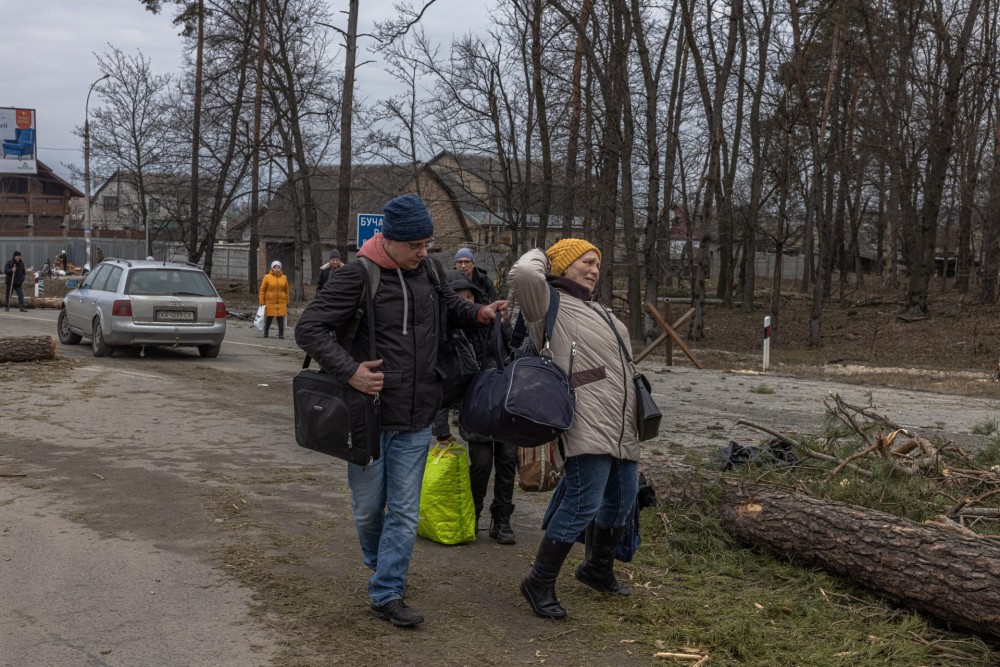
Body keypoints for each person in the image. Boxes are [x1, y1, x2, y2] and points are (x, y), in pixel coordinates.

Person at [295, 193, 508, 628]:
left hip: (417, 413)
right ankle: (381, 565)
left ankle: (387, 590)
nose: (424, 252)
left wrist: (480, 312)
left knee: (405, 510)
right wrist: (350, 370)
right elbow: (309, 328)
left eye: (428, 244)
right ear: (389, 240)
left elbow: (450, 308)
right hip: (367, 416)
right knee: (369, 510)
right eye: (416, 245)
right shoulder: (357, 275)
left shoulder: (428, 269)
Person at [508, 238, 640, 620]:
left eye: (598, 263)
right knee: (584, 502)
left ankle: (597, 569)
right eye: (586, 261)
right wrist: (544, 256)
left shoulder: (603, 312)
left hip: (621, 424)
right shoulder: (548, 303)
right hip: (585, 419)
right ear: (562, 266)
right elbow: (522, 273)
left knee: (623, 497)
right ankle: (539, 580)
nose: (594, 269)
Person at [432, 271, 517, 545]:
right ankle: (473, 514)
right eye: (460, 300)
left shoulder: (494, 325)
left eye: (469, 297)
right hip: (474, 409)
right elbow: (440, 382)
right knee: (481, 463)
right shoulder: (448, 337)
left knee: (507, 460)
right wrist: (441, 427)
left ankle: (502, 520)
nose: (466, 303)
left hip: (503, 405)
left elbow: (516, 351)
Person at [258, 260, 289, 339]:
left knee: (281, 318)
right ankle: (266, 332)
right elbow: (262, 290)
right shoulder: (267, 277)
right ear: (272, 268)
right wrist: (261, 301)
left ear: (280, 268)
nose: (277, 269)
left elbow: (286, 291)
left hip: (281, 302)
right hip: (270, 302)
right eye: (275, 267)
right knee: (269, 318)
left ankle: (281, 334)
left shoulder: (284, 278)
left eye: (278, 267)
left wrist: (287, 301)